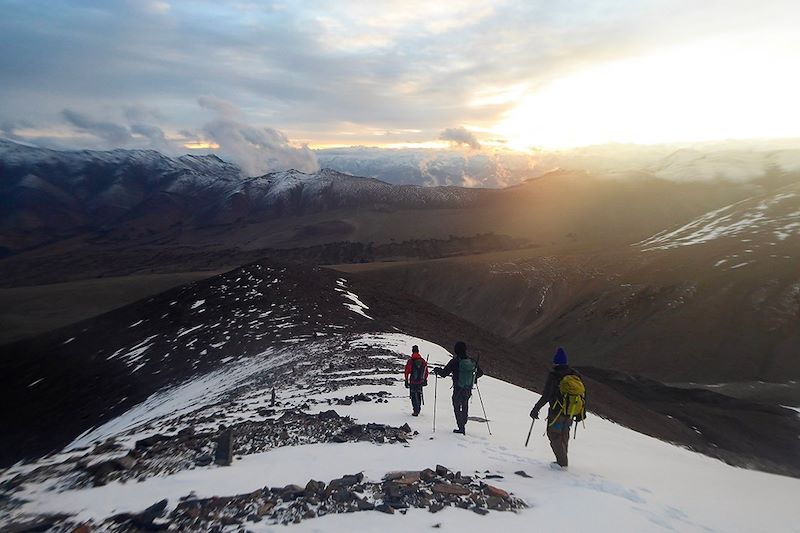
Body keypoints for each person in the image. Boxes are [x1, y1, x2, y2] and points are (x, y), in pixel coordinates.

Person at [530, 347, 580, 469]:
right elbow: (581, 395)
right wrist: (580, 414)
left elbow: (546, 395)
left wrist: (536, 409)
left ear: (556, 362)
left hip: (556, 412)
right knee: (564, 435)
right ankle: (562, 460)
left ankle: (562, 463)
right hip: (570, 412)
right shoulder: (574, 375)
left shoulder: (554, 375)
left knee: (554, 435)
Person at [433, 341, 483, 434]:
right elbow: (480, 372)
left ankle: (461, 427)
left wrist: (437, 370)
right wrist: (473, 378)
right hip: (468, 388)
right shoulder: (472, 361)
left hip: (458, 388)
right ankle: (463, 422)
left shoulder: (454, 361)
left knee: (456, 406)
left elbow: (444, 373)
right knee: (465, 404)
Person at [404, 345, 428, 416]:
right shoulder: (423, 361)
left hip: (413, 381)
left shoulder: (411, 361)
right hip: (420, 381)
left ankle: (415, 410)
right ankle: (418, 409)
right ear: (418, 351)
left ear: (412, 351)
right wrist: (425, 379)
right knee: (419, 394)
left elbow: (407, 371)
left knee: (413, 395)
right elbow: (426, 371)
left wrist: (406, 380)